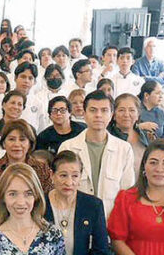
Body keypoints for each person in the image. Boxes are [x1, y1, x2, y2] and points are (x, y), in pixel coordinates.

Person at [57, 91, 136, 219]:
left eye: (104, 110)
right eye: (93, 110)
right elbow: (61, 189)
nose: (98, 115)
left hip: (110, 220)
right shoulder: (68, 147)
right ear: (84, 113)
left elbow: (127, 193)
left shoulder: (124, 149)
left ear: (111, 114)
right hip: (75, 219)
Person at [0, 119, 53, 219]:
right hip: (0, 223)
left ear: (30, 143)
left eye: (22, 139)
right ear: (3, 143)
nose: (17, 144)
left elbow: (48, 202)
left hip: (36, 222)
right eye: (11, 139)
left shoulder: (42, 169)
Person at [108, 94, 151, 176]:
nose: (126, 115)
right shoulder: (107, 138)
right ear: (114, 115)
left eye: (132, 110)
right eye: (121, 110)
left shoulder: (147, 137)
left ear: (138, 115)